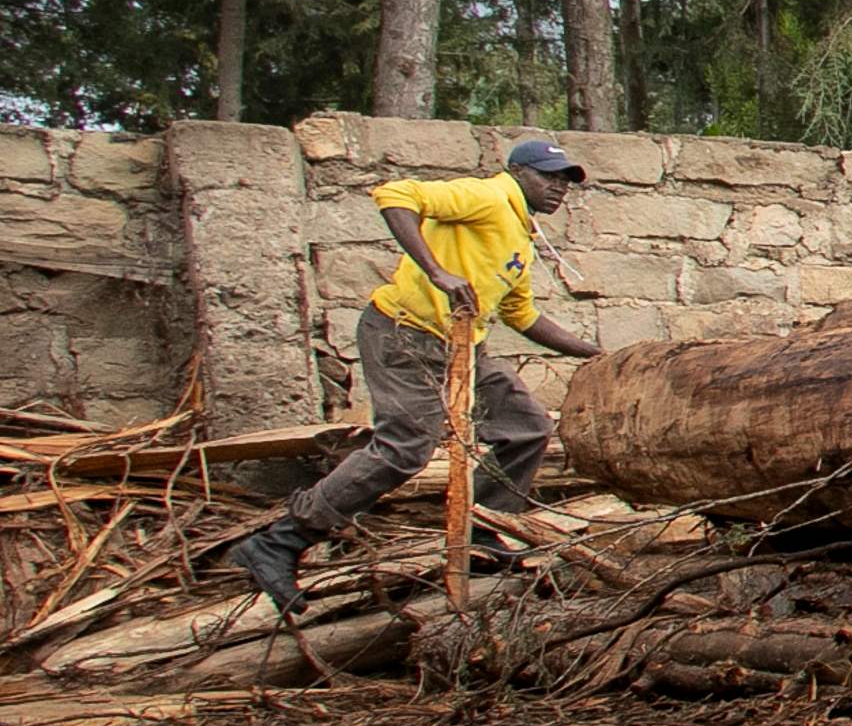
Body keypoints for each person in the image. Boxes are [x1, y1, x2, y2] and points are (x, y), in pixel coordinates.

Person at [219, 138, 603, 618]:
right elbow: (395, 195)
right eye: (549, 177)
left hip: (460, 346)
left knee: (526, 427)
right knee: (406, 446)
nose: (559, 189)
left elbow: (521, 314)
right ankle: (281, 542)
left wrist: (596, 354)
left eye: (566, 182)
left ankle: (479, 530)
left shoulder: (520, 236)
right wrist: (438, 272)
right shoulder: (487, 197)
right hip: (403, 334)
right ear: (519, 173)